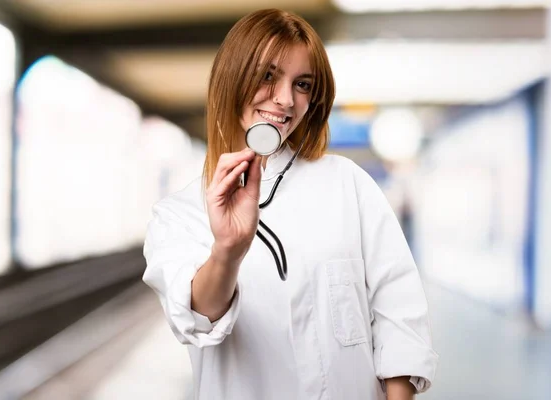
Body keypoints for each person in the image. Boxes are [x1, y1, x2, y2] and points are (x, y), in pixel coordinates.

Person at [142, 8, 438, 400]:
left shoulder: (348, 185)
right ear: (232, 77)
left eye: (302, 84)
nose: (285, 101)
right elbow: (196, 319)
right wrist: (228, 251)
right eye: (268, 76)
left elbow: (398, 318)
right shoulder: (180, 215)